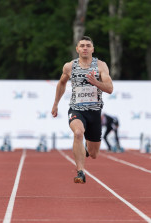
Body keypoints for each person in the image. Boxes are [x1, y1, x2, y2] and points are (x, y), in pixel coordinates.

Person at [51, 36, 113, 184]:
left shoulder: (100, 66)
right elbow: (61, 84)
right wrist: (55, 104)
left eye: (88, 46)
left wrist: (95, 82)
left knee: (93, 154)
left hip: (94, 112)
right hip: (76, 110)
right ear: (77, 49)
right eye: (82, 45)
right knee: (78, 133)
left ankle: (85, 148)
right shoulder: (69, 66)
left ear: (92, 49)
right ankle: (80, 172)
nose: (85, 48)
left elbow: (110, 89)